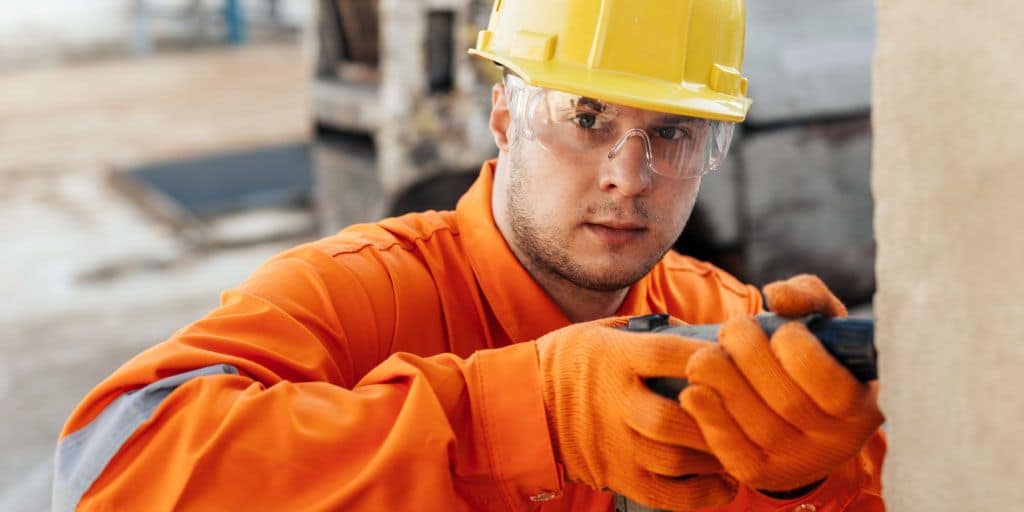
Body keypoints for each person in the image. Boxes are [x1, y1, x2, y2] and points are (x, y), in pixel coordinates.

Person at [53, 0, 885, 510]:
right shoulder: (363, 296)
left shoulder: (725, 322)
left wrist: (809, 488)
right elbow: (107, 475)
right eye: (586, 118)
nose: (628, 177)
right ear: (503, 118)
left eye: (671, 134)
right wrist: (528, 422)